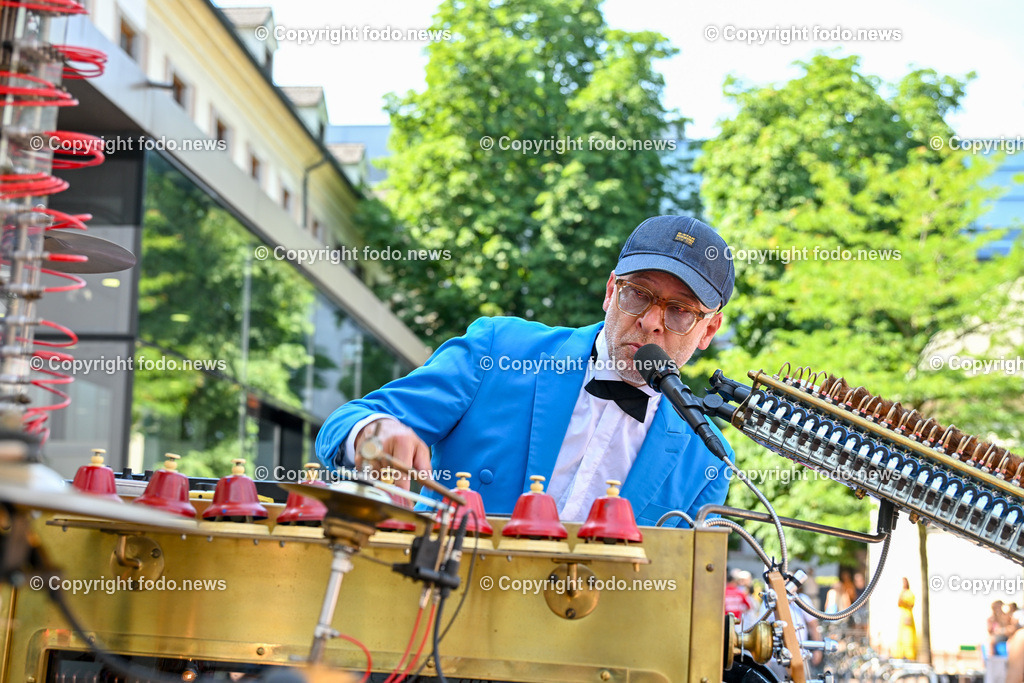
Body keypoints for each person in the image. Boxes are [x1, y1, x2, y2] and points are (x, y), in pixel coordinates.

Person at [314, 215, 737, 524]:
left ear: (708, 330)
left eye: (680, 311)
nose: (650, 321)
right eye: (638, 294)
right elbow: (343, 423)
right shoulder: (499, 347)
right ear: (610, 292)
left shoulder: (707, 458)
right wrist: (372, 433)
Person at [892, 577, 917, 660]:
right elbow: (899, 603)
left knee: (908, 637)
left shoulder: (910, 593)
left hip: (907, 616)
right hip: (902, 617)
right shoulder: (902, 593)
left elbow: (911, 605)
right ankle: (901, 654)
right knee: (901, 637)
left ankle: (910, 655)